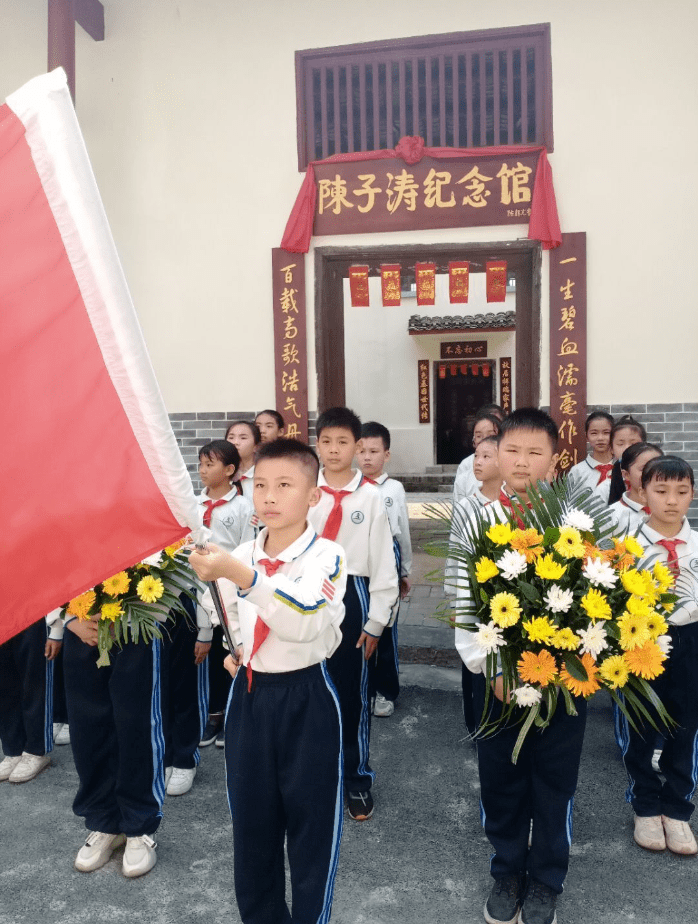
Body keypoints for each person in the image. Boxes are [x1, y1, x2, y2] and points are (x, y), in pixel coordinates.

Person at [189, 438, 346, 924]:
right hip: (250, 698)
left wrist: (243, 575)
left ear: (313, 496)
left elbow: (304, 620)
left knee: (310, 826)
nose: (269, 497)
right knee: (252, 828)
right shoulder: (238, 553)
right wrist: (238, 650)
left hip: (307, 700)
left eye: (284, 485)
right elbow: (226, 614)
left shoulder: (327, 556)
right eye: (260, 486)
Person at [455, 408, 586, 924]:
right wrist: (491, 668)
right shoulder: (473, 518)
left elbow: (596, 597)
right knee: (502, 777)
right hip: (498, 679)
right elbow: (464, 605)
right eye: (512, 450)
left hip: (563, 680)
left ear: (555, 462)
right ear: (493, 452)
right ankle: (506, 870)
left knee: (555, 781)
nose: (522, 462)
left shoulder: (575, 520)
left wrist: (573, 663)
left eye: (536, 453)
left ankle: (547, 879)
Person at [308, 407, 398, 821]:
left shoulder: (372, 498)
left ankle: (357, 779)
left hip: (353, 594)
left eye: (343, 442)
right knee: (305, 688)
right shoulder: (304, 490)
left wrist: (376, 620)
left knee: (352, 695)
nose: (333, 450)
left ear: (358, 447)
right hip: (306, 593)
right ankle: (313, 776)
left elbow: (383, 562)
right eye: (326, 441)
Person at [616, 455, 698, 856]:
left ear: (693, 494)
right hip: (643, 642)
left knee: (687, 726)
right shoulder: (627, 548)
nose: (672, 501)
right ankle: (645, 805)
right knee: (643, 725)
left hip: (692, 642)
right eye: (661, 491)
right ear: (642, 492)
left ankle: (678, 808)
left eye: (682, 492)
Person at [63, 599, 167, 877]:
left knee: (137, 727)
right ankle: (104, 820)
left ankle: (139, 824)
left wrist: (150, 612)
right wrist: (66, 618)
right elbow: (39, 565)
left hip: (136, 623)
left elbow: (168, 561)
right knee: (88, 729)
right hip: (80, 625)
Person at [196, 440, 254, 751]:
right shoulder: (193, 505)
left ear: (229, 470)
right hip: (200, 592)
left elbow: (248, 550)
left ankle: (235, 716)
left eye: (210, 465)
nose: (203, 470)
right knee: (207, 658)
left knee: (234, 652)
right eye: (201, 464)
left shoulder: (244, 507)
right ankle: (213, 714)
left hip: (231, 592)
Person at [356, 421, 413, 718]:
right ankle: (360, 687)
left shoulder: (394, 489)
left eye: (374, 451)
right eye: (362, 450)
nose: (367, 457)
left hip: (388, 559)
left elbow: (402, 530)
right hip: (357, 561)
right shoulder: (349, 488)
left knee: (385, 627)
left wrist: (405, 570)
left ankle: (385, 691)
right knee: (358, 623)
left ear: (386, 455)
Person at [0, 614, 61, 783]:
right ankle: (13, 750)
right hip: (4, 610)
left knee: (34, 680)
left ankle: (36, 750)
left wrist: (56, 628)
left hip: (34, 610)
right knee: (4, 683)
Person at [607, 442, 663, 535]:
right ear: (626, 474)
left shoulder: (671, 510)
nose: (653, 473)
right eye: (644, 468)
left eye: (658, 467)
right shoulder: (610, 516)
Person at [453, 412, 502, 505]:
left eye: (490, 435)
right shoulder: (465, 474)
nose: (484, 439)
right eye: (479, 436)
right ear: (473, 440)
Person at [567, 411, 614, 501]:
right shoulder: (577, 471)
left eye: (606, 433)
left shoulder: (623, 470)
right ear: (587, 436)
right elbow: (570, 505)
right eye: (594, 433)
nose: (600, 438)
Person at [607, 416, 648, 505]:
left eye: (633, 443)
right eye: (620, 444)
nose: (627, 448)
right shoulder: (608, 479)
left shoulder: (653, 469)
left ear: (644, 446)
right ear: (611, 449)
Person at [226, 421, 261, 501]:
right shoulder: (221, 474)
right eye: (231, 438)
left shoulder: (264, 474)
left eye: (243, 438)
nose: (235, 443)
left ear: (256, 446)